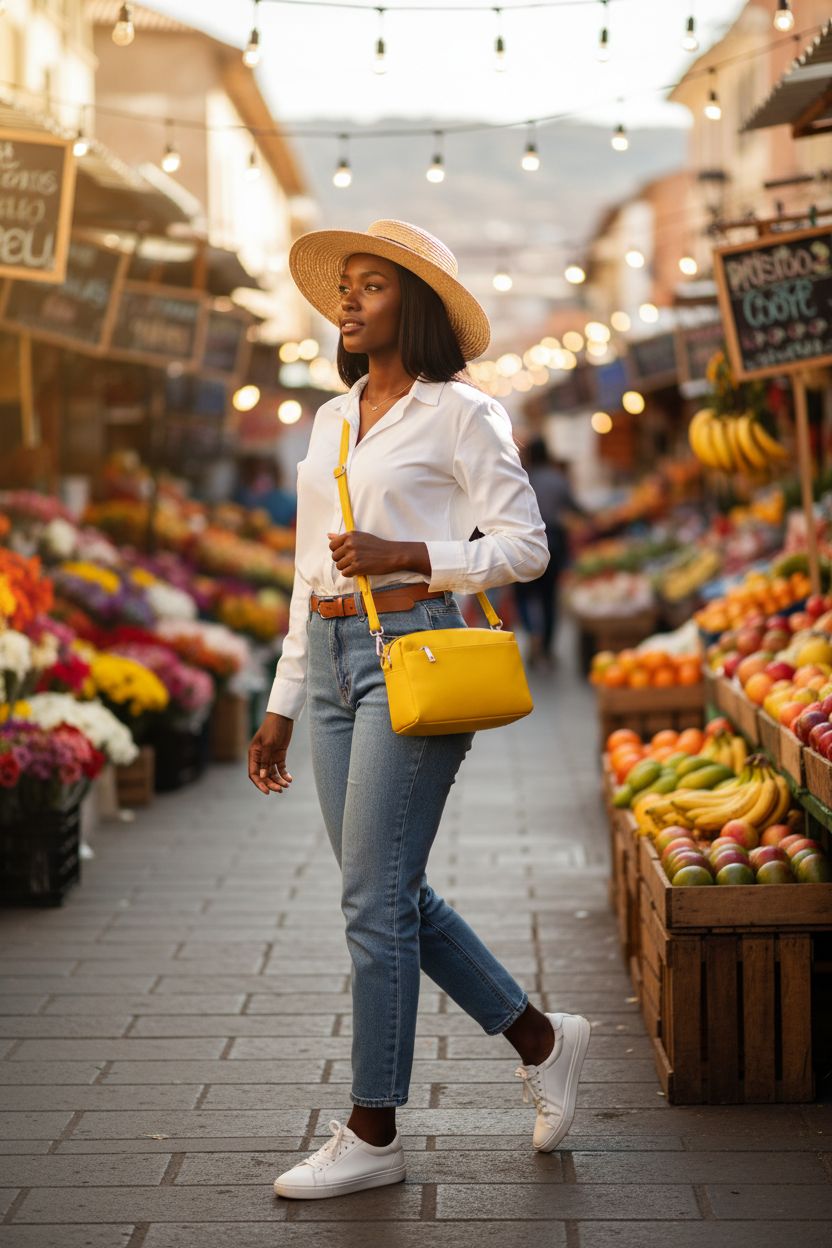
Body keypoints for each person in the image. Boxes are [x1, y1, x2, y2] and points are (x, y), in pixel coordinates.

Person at [247, 220, 591, 1201]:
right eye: (344, 287)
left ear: (417, 306)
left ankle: (373, 1129)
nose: (348, 301)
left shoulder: (460, 414)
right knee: (385, 891)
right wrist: (280, 698)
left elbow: (525, 547)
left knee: (370, 899)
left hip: (416, 651)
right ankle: (540, 1039)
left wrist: (415, 558)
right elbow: (308, 563)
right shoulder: (330, 419)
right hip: (330, 660)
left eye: (372, 286)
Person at [515, 439, 589, 666]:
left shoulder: (520, 478)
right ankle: (546, 646)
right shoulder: (558, 480)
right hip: (553, 544)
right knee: (549, 598)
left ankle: (532, 634)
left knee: (524, 596)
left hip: (522, 545)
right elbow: (574, 506)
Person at [233, 457, 297, 527]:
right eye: (258, 477)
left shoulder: (285, 502)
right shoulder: (242, 497)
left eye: (267, 478)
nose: (262, 483)